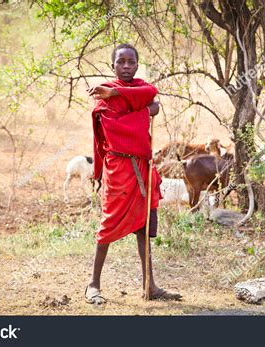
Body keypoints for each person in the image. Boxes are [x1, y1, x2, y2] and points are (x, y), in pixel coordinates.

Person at [85, 43, 182, 304]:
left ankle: (149, 286)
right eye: (121, 62)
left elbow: (151, 91)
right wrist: (146, 111)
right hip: (119, 169)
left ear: (137, 64)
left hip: (142, 167)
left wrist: (119, 93)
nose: (126, 66)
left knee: (143, 226)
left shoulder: (136, 88)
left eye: (131, 62)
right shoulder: (103, 98)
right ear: (113, 66)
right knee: (108, 224)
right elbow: (119, 127)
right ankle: (93, 285)